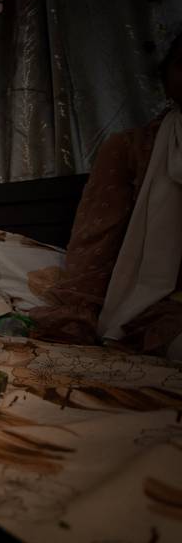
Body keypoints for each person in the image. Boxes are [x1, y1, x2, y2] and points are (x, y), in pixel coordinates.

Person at [31, 33, 182, 357]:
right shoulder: (133, 149)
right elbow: (94, 246)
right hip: (163, 308)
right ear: (166, 79)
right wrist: (74, 320)